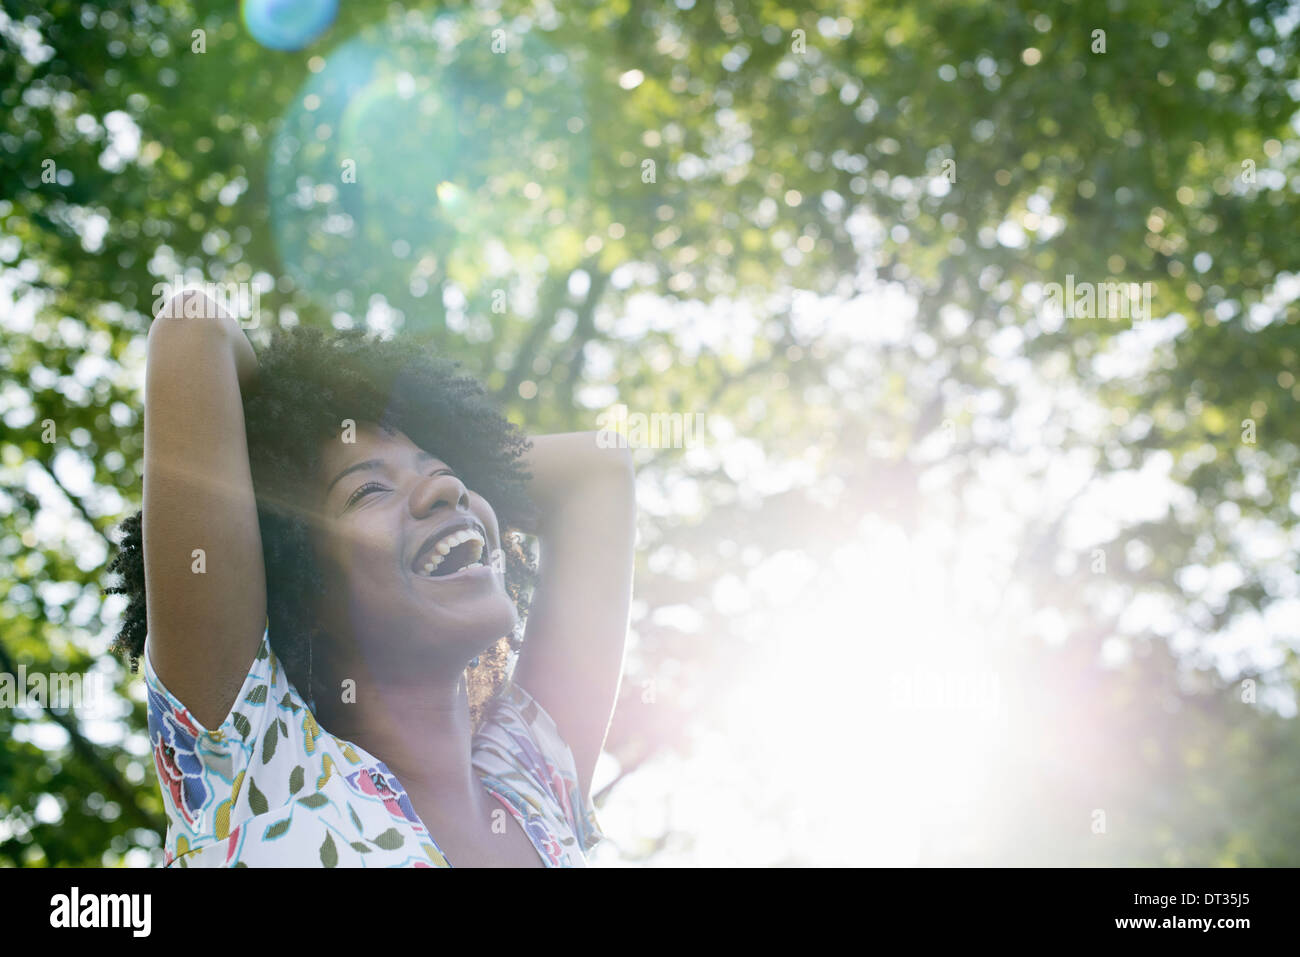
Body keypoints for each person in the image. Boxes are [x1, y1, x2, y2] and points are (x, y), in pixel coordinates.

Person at [105, 290, 636, 867]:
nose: (449, 491)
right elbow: (192, 325)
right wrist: (275, 443)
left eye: (448, 473)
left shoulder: (535, 786)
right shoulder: (255, 765)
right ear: (298, 582)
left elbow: (600, 467)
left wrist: (464, 462)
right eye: (368, 491)